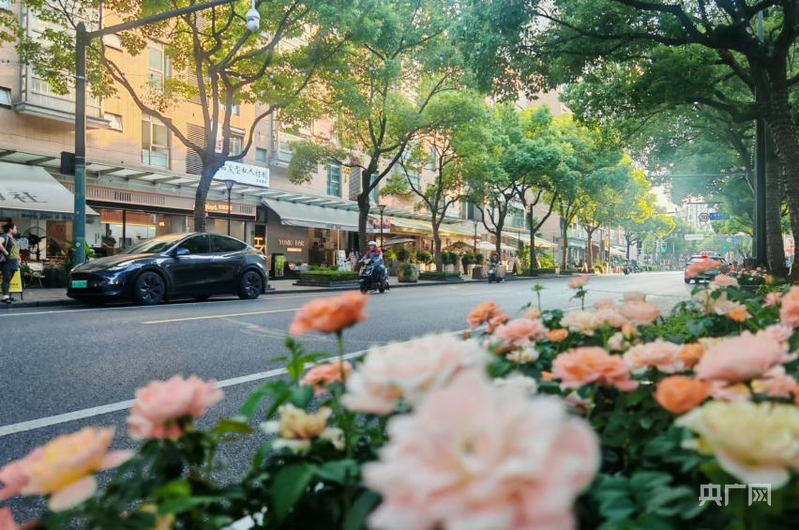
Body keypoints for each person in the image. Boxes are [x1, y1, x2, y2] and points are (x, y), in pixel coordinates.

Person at [1, 222, 20, 304]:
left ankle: (7, 295)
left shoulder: (13, 238)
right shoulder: (4, 236)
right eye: (15, 228)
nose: (16, 230)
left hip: (14, 262)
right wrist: (5, 252)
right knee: (6, 279)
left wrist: (19, 257)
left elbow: (15, 250)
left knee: (9, 280)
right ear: (10, 229)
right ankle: (5, 296)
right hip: (7, 262)